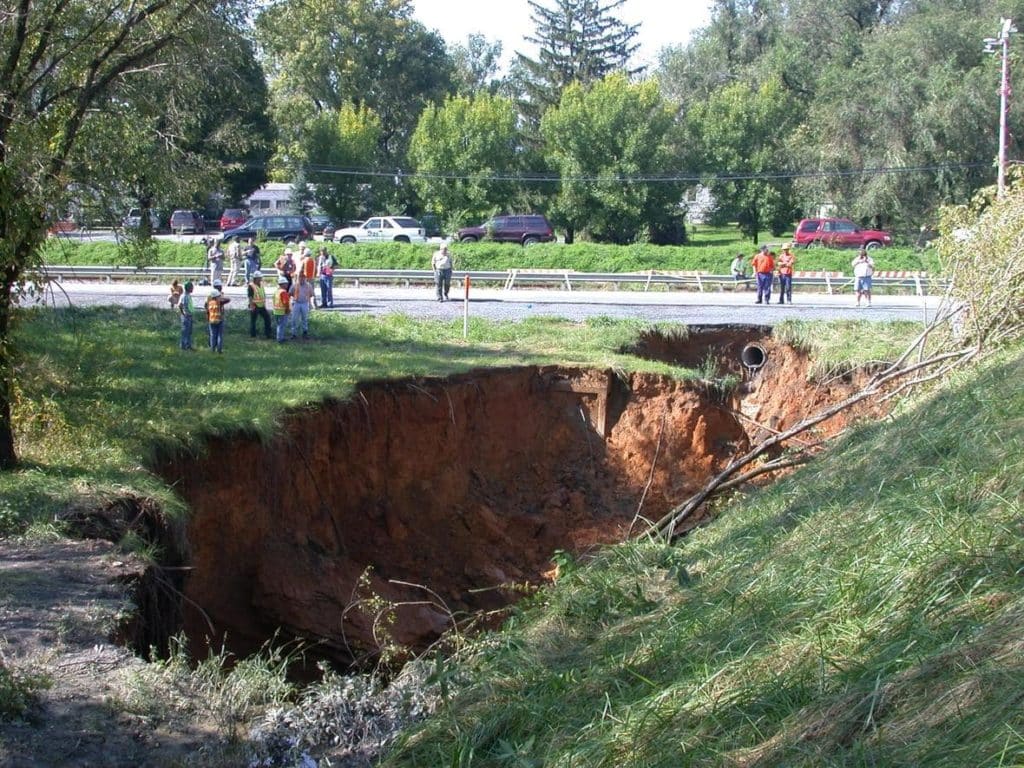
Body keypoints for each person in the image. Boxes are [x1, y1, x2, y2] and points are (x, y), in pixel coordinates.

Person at [205, 279, 231, 353]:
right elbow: (228, 300)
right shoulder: (219, 301)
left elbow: (206, 308)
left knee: (213, 335)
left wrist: (207, 316)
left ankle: (212, 349)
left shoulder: (210, 301)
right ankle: (219, 349)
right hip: (219, 319)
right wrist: (220, 297)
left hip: (211, 319)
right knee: (220, 335)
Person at [247, 271, 272, 339]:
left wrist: (264, 305)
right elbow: (250, 297)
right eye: (259, 278)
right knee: (253, 321)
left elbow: (262, 294)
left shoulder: (261, 284)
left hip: (261, 306)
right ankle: (253, 334)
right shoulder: (251, 286)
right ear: (256, 278)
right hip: (255, 305)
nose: (261, 279)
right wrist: (252, 306)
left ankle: (268, 334)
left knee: (267, 318)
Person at [290, 273, 315, 338]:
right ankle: (294, 334)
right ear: (298, 278)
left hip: (305, 303)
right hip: (296, 303)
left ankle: (305, 332)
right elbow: (290, 293)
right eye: (300, 277)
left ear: (305, 278)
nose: (301, 279)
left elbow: (312, 294)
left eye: (303, 277)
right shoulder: (295, 285)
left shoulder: (308, 285)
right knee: (294, 319)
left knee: (305, 318)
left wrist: (309, 302)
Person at [272, 275, 291, 343]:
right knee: (281, 326)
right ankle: (280, 339)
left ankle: (280, 337)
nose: (287, 285)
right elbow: (285, 302)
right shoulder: (283, 292)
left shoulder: (276, 291)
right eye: (286, 284)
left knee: (279, 325)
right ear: (283, 284)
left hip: (276, 311)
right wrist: (287, 309)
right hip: (282, 312)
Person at [178, 281, 195, 351]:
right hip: (186, 316)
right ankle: (183, 346)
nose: (193, 288)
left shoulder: (188, 295)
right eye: (191, 287)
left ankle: (188, 345)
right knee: (185, 331)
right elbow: (180, 305)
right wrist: (183, 313)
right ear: (188, 288)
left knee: (189, 331)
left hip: (190, 315)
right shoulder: (184, 296)